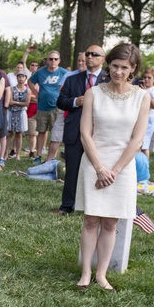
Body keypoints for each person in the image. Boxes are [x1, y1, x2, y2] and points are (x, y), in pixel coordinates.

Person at [75, 43, 150, 291]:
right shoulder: (95, 93)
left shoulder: (142, 97)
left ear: (133, 69)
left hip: (123, 166)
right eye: (115, 66)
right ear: (109, 65)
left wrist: (114, 171)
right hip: (94, 160)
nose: (118, 72)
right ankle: (86, 272)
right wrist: (99, 168)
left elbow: (137, 140)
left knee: (110, 224)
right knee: (90, 220)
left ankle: (102, 274)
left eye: (124, 68)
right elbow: (86, 133)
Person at [55, 46, 108, 215]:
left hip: (100, 133)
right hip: (75, 131)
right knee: (72, 170)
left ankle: (94, 207)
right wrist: (76, 101)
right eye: (87, 54)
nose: (89, 56)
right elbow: (61, 101)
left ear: (103, 58)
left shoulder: (108, 81)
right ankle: (67, 206)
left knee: (97, 169)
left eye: (94, 54)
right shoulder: (72, 79)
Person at [29, 50, 67, 162]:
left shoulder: (64, 73)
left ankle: (52, 157)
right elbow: (30, 82)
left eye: (55, 59)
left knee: (55, 133)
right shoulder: (40, 72)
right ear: (47, 60)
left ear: (59, 61)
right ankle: (39, 155)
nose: (53, 61)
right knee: (41, 132)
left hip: (57, 107)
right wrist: (36, 94)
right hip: (42, 107)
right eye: (51, 59)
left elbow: (70, 84)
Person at [6, 71, 30, 160]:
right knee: (9, 133)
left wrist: (15, 102)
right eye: (19, 76)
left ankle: (18, 154)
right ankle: (5, 153)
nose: (20, 78)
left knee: (19, 134)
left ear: (25, 78)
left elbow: (27, 103)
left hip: (21, 113)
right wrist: (20, 103)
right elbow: (9, 101)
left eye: (22, 76)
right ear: (17, 78)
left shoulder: (27, 90)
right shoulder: (12, 89)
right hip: (11, 112)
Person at [139, 68, 154, 157]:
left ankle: (146, 164)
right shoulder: (141, 88)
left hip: (149, 118)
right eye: (145, 77)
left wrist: (146, 94)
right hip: (140, 117)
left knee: (144, 144)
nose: (146, 80)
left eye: (149, 78)